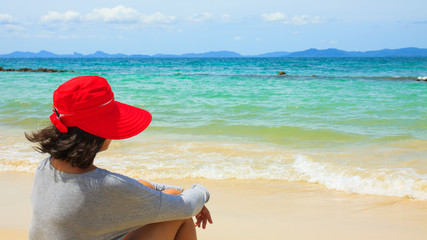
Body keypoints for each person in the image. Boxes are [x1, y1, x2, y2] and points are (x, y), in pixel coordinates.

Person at [26, 76, 212, 240]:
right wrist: (200, 192)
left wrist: (181, 190)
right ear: (97, 131)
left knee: (150, 190)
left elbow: (130, 187)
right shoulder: (105, 186)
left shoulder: (46, 166)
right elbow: (187, 206)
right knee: (177, 213)